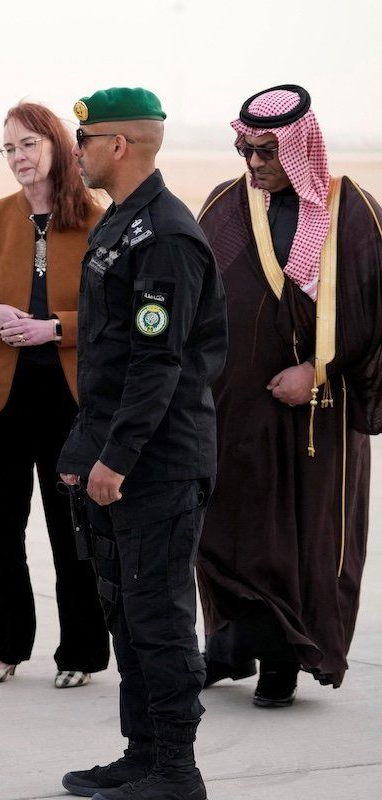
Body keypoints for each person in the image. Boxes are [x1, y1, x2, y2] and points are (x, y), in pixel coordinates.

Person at [56, 88, 227, 800]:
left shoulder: (164, 235)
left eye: (85, 140)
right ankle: (142, 754)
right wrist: (82, 451)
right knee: (126, 611)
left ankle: (176, 772)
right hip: (115, 457)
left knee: (158, 615)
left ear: (118, 146)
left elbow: (159, 366)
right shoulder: (121, 225)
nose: (78, 152)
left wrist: (116, 459)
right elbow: (109, 358)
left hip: (156, 465)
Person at [194, 85, 382, 708]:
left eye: (268, 152)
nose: (254, 164)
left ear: (301, 146)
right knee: (225, 527)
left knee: (298, 539)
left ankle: (281, 662)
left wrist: (317, 371)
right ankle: (227, 648)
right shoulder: (224, 204)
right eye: (246, 149)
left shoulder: (349, 210)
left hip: (316, 420)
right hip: (234, 411)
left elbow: (372, 310)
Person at [0, 101, 108, 690]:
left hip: (69, 401)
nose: (17, 157)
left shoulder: (98, 221)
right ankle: (9, 644)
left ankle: (82, 652)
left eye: (28, 145)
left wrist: (55, 328)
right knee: (1, 526)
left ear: (59, 148)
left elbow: (111, 314)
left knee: (73, 530)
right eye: (9, 147)